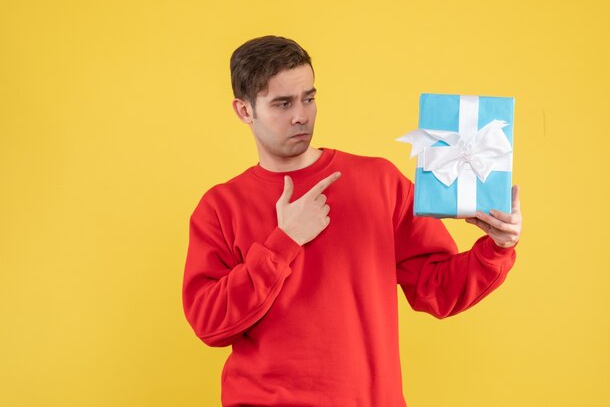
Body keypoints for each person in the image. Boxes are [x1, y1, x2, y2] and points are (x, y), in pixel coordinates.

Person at [182, 35, 522, 407]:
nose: (301, 115)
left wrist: (497, 248)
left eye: (308, 98)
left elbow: (438, 290)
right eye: (282, 103)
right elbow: (209, 324)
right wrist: (284, 242)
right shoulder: (220, 206)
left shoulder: (378, 181)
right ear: (244, 111)